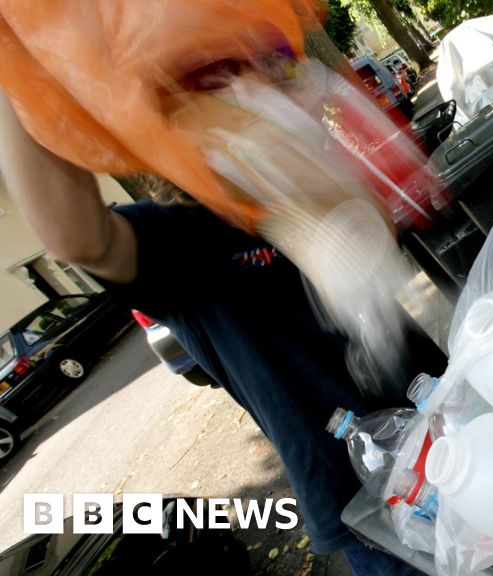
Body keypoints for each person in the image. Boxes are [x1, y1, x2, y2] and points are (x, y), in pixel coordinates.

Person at [0, 93, 443, 574]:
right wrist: (17, 71)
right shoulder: (177, 242)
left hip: (451, 416)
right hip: (370, 491)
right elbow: (78, 236)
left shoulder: (295, 181)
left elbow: (383, 223)